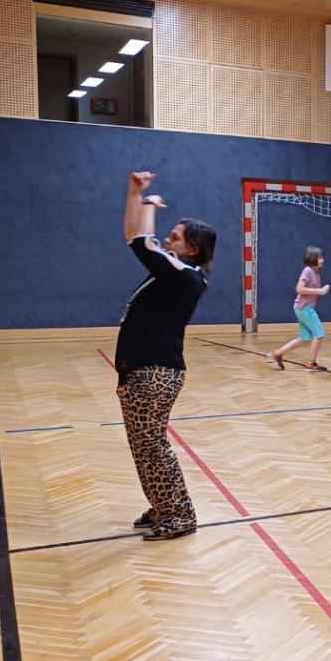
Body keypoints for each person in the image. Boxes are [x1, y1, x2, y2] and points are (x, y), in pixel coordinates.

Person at [116, 171, 216, 541]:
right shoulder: (174, 271)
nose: (168, 240)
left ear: (193, 249)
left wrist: (146, 204)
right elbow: (135, 237)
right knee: (143, 447)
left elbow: (141, 241)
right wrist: (137, 196)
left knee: (153, 447)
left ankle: (180, 515)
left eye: (175, 237)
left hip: (155, 375)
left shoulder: (184, 275)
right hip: (141, 372)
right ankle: (163, 505)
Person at [268, 247, 330, 372]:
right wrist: (320, 291)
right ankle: (311, 364)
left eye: (322, 257)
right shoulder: (307, 271)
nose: (322, 260)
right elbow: (299, 289)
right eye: (319, 258)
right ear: (312, 259)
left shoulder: (315, 273)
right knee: (319, 334)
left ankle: (277, 354)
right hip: (305, 308)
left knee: (304, 337)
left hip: (303, 308)